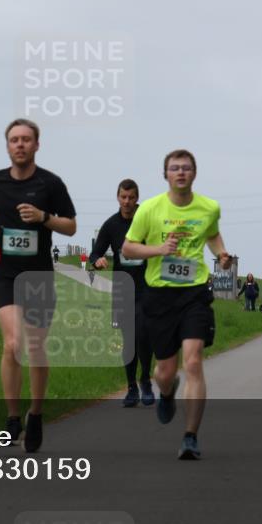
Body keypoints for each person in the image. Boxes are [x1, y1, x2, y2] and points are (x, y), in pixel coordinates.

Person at [122, 149, 232, 460]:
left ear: (194, 173)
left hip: (195, 293)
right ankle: (167, 393)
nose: (180, 172)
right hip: (159, 296)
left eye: (186, 168)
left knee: (194, 361)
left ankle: (190, 437)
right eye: (174, 168)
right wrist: (159, 249)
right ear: (165, 175)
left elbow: (211, 234)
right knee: (164, 371)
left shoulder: (208, 207)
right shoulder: (151, 210)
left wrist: (222, 253)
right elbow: (128, 248)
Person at [0, 119, 77, 453]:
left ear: (37, 145)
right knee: (12, 343)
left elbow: (71, 227)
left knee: (34, 346)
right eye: (14, 140)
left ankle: (36, 413)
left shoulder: (51, 183)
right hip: (4, 273)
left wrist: (44, 217)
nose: (20, 145)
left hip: (38, 276)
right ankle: (12, 416)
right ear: (7, 146)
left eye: (26, 140)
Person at [90, 179, 153, 408]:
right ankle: (131, 388)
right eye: (123, 197)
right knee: (129, 340)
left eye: (131, 198)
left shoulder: (147, 221)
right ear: (118, 197)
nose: (127, 202)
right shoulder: (111, 225)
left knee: (144, 337)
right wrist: (97, 259)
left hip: (147, 288)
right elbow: (95, 253)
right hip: (123, 289)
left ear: (137, 198)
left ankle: (146, 380)